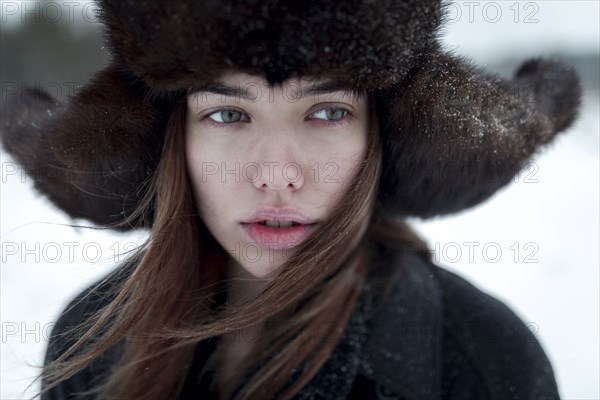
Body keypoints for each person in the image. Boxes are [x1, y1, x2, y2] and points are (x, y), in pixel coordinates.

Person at [1, 1, 581, 399]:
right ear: (173, 141)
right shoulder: (90, 340)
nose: (277, 175)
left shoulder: (483, 359)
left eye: (328, 112)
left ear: (377, 137)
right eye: (228, 114)